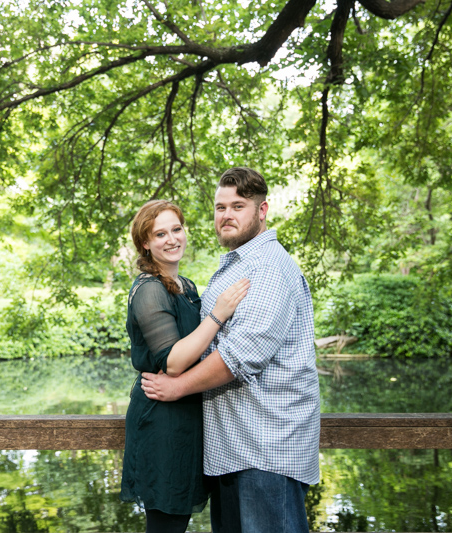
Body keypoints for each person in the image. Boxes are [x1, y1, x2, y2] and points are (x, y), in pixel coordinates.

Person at [141, 167, 321, 533]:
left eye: (238, 206)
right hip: (236, 448)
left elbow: (241, 356)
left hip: (266, 449)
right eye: (220, 207)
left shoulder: (268, 269)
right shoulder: (237, 265)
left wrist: (176, 387)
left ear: (262, 210)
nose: (226, 215)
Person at [120, 199, 250, 533]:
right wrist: (219, 313)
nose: (171, 239)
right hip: (162, 417)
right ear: (145, 243)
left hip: (189, 414)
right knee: (167, 525)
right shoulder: (149, 290)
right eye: (159, 233)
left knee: (180, 519)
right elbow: (175, 363)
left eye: (176, 229)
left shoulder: (186, 286)